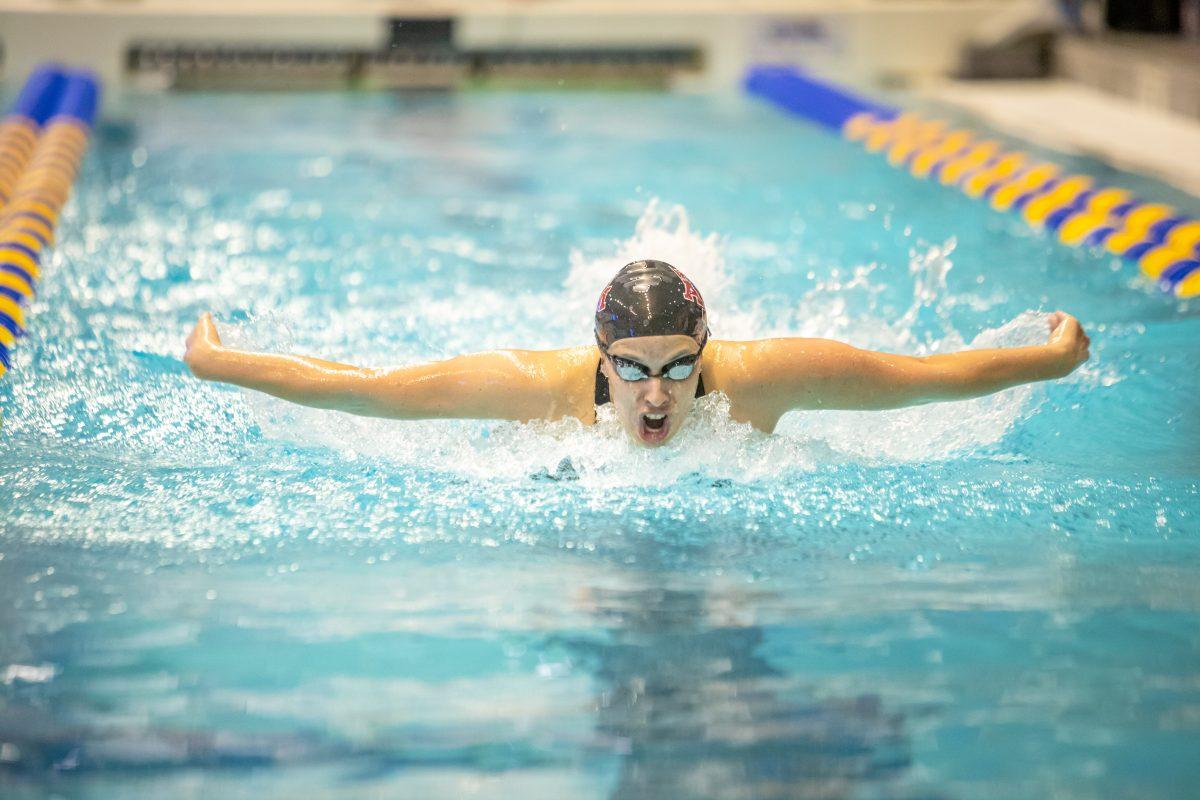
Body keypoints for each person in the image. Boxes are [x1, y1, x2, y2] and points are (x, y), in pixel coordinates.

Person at [184, 259, 1090, 447]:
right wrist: (220, 363)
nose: (656, 396)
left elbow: (919, 379)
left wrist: (1048, 363)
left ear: (707, 351)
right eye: (631, 369)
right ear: (599, 355)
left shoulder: (761, 381)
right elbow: (374, 392)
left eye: (676, 367)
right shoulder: (539, 392)